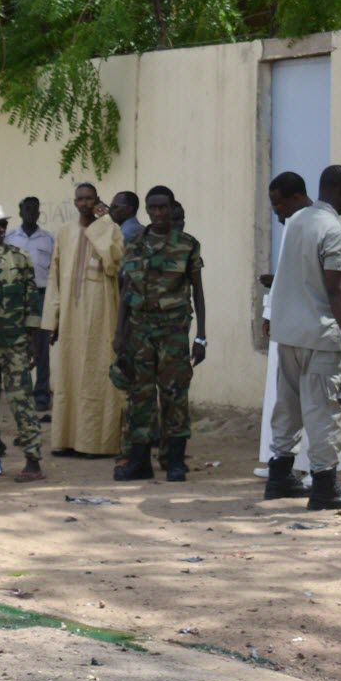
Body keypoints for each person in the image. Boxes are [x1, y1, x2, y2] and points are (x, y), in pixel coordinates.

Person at [265, 168, 341, 509]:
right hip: (321, 335)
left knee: (288, 407)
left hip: (289, 333)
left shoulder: (296, 223)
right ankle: (325, 486)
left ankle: (279, 476)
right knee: (326, 410)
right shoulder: (334, 228)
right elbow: (336, 288)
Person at [113, 187, 205, 481]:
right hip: (139, 331)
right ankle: (140, 462)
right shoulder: (135, 243)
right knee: (140, 396)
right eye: (153, 208)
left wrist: (201, 336)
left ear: (171, 207)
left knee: (175, 396)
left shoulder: (187, 245)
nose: (159, 213)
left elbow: (198, 293)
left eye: (164, 207)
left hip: (174, 332)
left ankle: (174, 461)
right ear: (148, 211)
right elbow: (126, 291)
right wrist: (119, 334)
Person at [42, 182, 124, 456]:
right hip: (70, 315)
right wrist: (51, 321)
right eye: (80, 199)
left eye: (90, 199)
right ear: (74, 202)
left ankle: (95, 444)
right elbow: (54, 278)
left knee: (96, 375)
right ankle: (65, 440)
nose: (85, 204)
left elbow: (113, 263)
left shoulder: (110, 229)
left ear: (97, 201)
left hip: (100, 317)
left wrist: (102, 224)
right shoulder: (64, 233)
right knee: (69, 375)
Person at [0, 203, 45, 482]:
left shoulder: (20, 258)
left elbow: (32, 299)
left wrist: (33, 339)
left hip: (14, 343)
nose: (0, 230)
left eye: (3, 225)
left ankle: (33, 460)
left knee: (20, 400)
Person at [5, 196, 53, 416]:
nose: (31, 213)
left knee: (41, 347)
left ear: (39, 212)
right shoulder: (9, 238)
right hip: (16, 298)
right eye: (27, 209)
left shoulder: (48, 239)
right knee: (19, 345)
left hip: (41, 296)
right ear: (20, 211)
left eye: (35, 209)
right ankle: (20, 393)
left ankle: (42, 394)